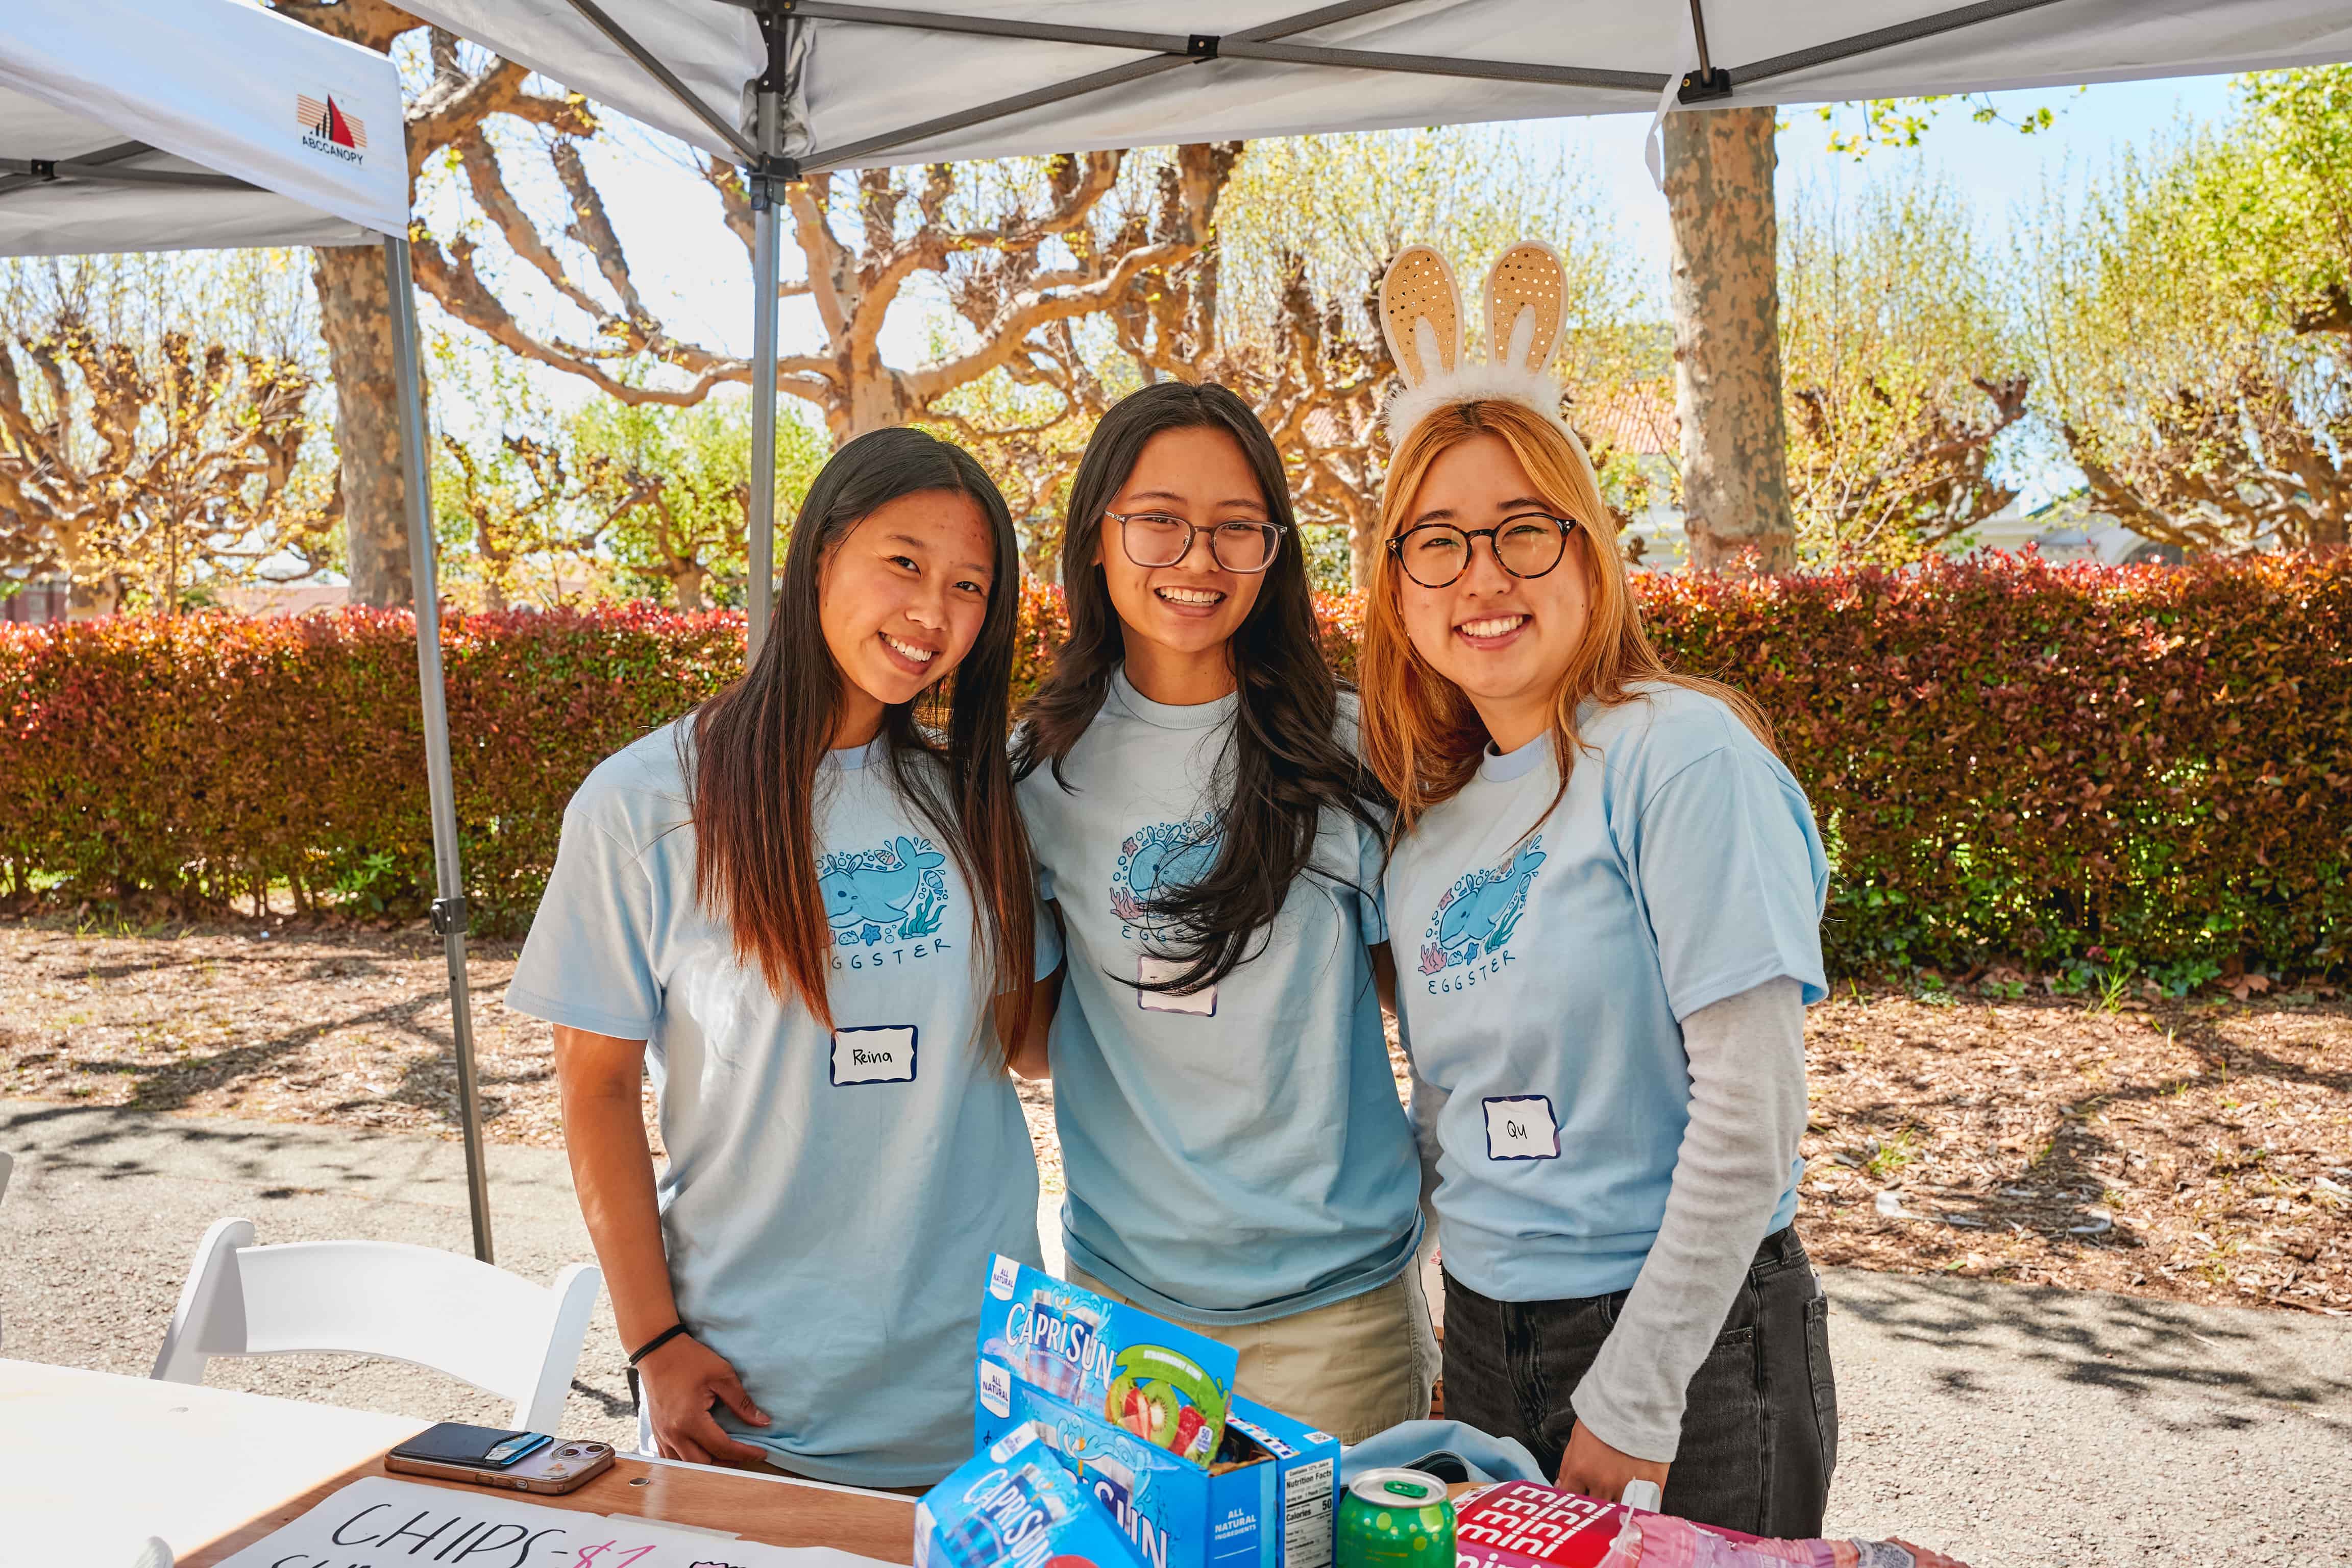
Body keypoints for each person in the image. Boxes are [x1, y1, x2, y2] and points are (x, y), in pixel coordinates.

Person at [1358, 243, 1837, 1535]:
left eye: (1522, 530)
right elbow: (1450, 1104)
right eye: (1438, 543)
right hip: (1484, 1339)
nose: (1483, 576)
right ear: (1395, 585)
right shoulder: (1430, 822)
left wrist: (1637, 1391)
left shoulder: (1680, 753)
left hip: (1685, 1341)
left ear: (1589, 549)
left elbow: (1753, 1107)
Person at [507, 427, 1058, 1488]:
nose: (934, 614)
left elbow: (1024, 1043)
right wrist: (654, 1343)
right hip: (753, 1402)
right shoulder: (646, 805)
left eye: (971, 587)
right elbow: (597, 1090)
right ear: (819, 557)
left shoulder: (979, 798)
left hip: (985, 1393)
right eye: (904, 563)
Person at [1012, 381, 1433, 1442]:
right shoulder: (1036, 773)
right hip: (1128, 1311)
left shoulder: (1355, 750)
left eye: (1237, 529)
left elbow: (1424, 1012)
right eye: (1158, 521)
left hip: (1344, 1317)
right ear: (1096, 538)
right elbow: (1033, 1039)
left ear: (1274, 551)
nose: (1197, 560)